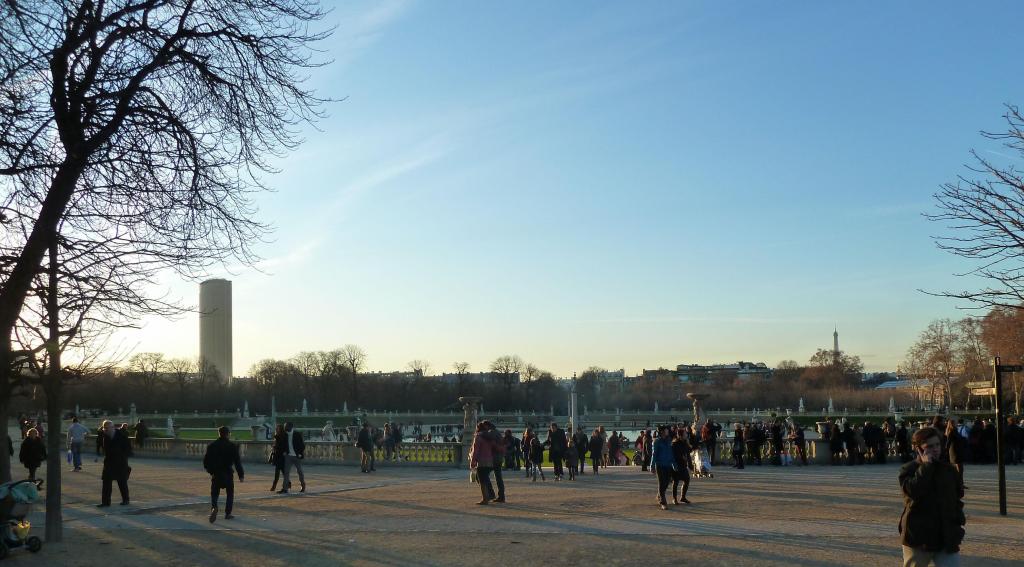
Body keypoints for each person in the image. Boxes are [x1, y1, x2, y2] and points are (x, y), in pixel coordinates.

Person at [898, 427, 965, 567]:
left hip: (946, 535)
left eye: (937, 445)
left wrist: (958, 522)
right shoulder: (908, 469)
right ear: (919, 449)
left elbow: (956, 498)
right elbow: (912, 491)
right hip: (919, 536)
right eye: (929, 446)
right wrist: (926, 466)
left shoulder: (948, 470)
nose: (935, 449)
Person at [204, 426, 244, 523]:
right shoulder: (232, 446)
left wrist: (211, 472)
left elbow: (206, 462)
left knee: (214, 493)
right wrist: (241, 475)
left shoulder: (212, 446)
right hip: (228, 473)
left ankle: (214, 507)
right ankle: (228, 513)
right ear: (227, 434)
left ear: (219, 433)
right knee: (230, 494)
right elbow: (237, 462)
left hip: (216, 473)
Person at [97, 419, 131, 507]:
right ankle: (105, 502)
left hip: (120, 461)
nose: (105, 430)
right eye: (104, 428)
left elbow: (128, 449)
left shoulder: (122, 435)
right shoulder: (105, 436)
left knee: (122, 482)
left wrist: (122, 456)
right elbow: (104, 448)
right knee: (106, 482)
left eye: (107, 428)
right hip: (109, 462)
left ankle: (126, 499)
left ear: (112, 427)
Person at [469, 422, 496, 505]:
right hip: (490, 461)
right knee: (485, 479)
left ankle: (485, 498)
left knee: (482, 481)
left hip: (481, 461)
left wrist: (473, 461)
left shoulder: (478, 437)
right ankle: (490, 495)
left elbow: (475, 450)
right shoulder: (489, 437)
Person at [650, 426, 675, 510]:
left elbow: (671, 453)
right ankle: (663, 502)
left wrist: (673, 464)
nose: (667, 431)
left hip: (667, 464)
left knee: (667, 482)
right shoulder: (657, 441)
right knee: (661, 482)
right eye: (666, 430)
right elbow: (654, 454)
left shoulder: (668, 441)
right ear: (662, 432)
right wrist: (652, 465)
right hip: (659, 465)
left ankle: (660, 495)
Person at [279, 422, 305, 493]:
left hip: (297, 456)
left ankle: (303, 485)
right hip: (288, 456)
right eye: (285, 427)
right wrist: (284, 451)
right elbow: (283, 445)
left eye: (286, 427)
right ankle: (285, 488)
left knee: (299, 472)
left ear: (291, 427)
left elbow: (302, 445)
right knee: (286, 472)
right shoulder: (285, 435)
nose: (285, 429)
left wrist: (300, 453)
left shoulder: (297, 434)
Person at [671, 428, 692, 505]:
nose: (686, 435)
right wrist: (681, 457)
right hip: (676, 465)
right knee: (675, 482)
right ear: (680, 435)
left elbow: (688, 453)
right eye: (685, 434)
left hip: (683, 465)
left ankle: (683, 497)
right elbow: (673, 455)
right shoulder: (674, 444)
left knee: (687, 479)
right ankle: (674, 498)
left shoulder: (685, 443)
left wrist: (690, 465)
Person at [269, 424, 288, 492]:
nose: (276, 429)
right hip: (278, 456)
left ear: (281, 429)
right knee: (283, 472)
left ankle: (274, 486)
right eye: (276, 428)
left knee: (278, 472)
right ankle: (288, 483)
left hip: (281, 456)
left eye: (277, 428)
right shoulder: (278, 435)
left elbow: (283, 445)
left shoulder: (282, 436)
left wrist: (276, 438)